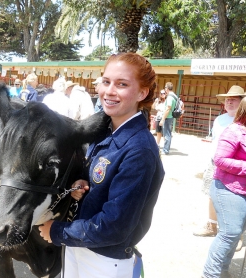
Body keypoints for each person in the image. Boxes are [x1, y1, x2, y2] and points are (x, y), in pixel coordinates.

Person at [38, 52, 165, 278]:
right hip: (80, 246)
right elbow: (100, 178)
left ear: (142, 92)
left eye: (122, 84)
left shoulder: (139, 149)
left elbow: (114, 226)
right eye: (106, 81)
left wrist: (57, 231)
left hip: (105, 259)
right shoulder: (105, 131)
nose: (109, 91)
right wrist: (83, 183)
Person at [202, 94, 246, 278]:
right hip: (229, 188)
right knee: (230, 233)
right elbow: (220, 160)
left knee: (236, 233)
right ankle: (210, 274)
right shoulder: (233, 131)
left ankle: (223, 270)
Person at [193, 86, 246, 249]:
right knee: (212, 195)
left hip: (235, 166)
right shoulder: (220, 120)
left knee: (237, 199)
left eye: (233, 99)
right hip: (215, 163)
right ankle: (212, 226)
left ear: (242, 102)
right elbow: (214, 143)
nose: (229, 102)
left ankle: (236, 234)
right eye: (227, 99)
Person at [159, 82, 176, 155]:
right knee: (167, 133)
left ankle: (165, 150)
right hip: (170, 117)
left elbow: (168, 108)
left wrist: (163, 119)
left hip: (167, 117)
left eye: (165, 88)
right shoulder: (174, 96)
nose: (165, 89)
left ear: (167, 88)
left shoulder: (170, 97)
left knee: (167, 134)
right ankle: (166, 149)